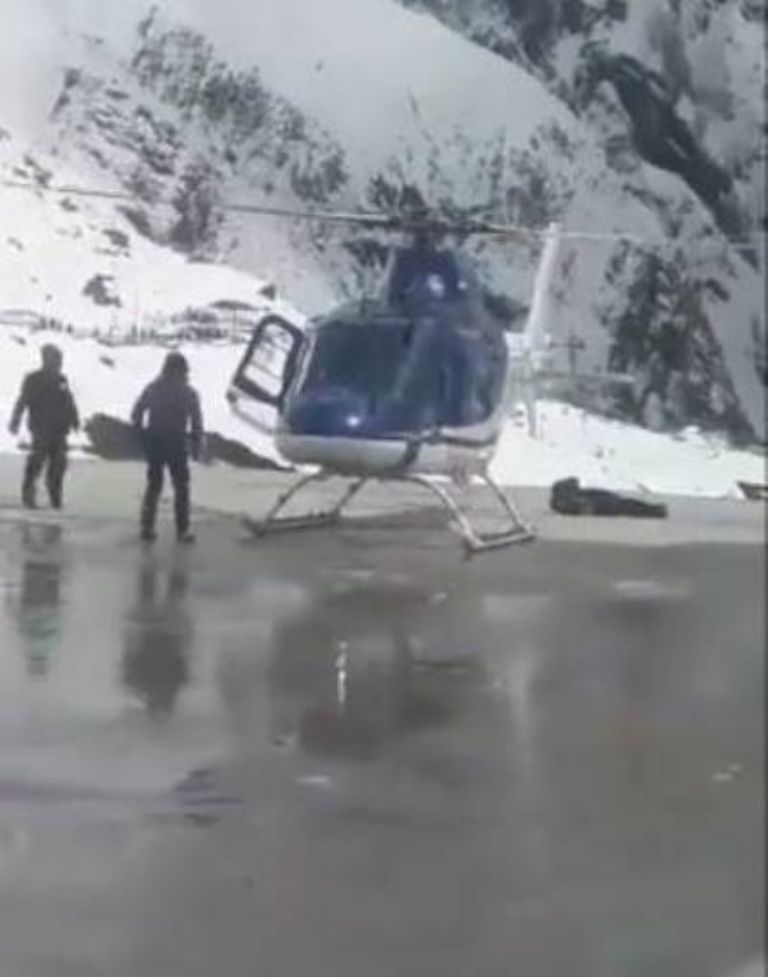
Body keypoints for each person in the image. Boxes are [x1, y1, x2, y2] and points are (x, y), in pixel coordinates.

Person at [131, 351, 203, 543]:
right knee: (181, 487)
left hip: (156, 442)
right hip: (176, 443)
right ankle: (182, 529)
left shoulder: (154, 388)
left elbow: (137, 412)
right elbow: (196, 421)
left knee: (155, 485)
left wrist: (141, 435)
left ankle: (147, 527)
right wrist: (196, 444)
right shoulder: (188, 393)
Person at [8, 343, 80, 509]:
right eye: (56, 360)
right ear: (47, 360)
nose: (59, 364)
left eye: (59, 360)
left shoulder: (61, 380)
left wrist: (75, 419)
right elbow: (23, 401)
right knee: (36, 462)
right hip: (41, 428)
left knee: (59, 465)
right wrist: (15, 420)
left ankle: (55, 497)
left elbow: (69, 402)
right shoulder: (33, 379)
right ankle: (28, 493)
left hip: (59, 430)